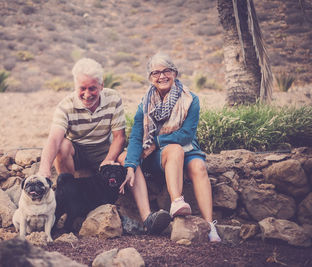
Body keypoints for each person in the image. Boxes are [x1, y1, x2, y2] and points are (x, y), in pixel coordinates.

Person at [118, 52, 221, 242]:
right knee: (170, 150)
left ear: (174, 73)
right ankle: (176, 203)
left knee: (198, 167)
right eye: (156, 72)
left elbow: (186, 135)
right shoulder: (145, 104)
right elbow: (136, 137)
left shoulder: (190, 99)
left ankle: (210, 226)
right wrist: (131, 165)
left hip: (187, 148)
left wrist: (156, 142)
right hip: (159, 156)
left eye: (166, 71)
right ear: (150, 78)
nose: (162, 76)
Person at [37, 57, 126, 182]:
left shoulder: (113, 98)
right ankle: (68, 186)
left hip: (103, 149)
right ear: (75, 86)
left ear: (101, 86)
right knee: (63, 146)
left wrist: (108, 160)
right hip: (77, 152)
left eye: (92, 88)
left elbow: (119, 137)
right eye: (82, 88)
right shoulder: (65, 106)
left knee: (127, 158)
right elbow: (54, 139)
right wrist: (44, 169)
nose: (87, 94)